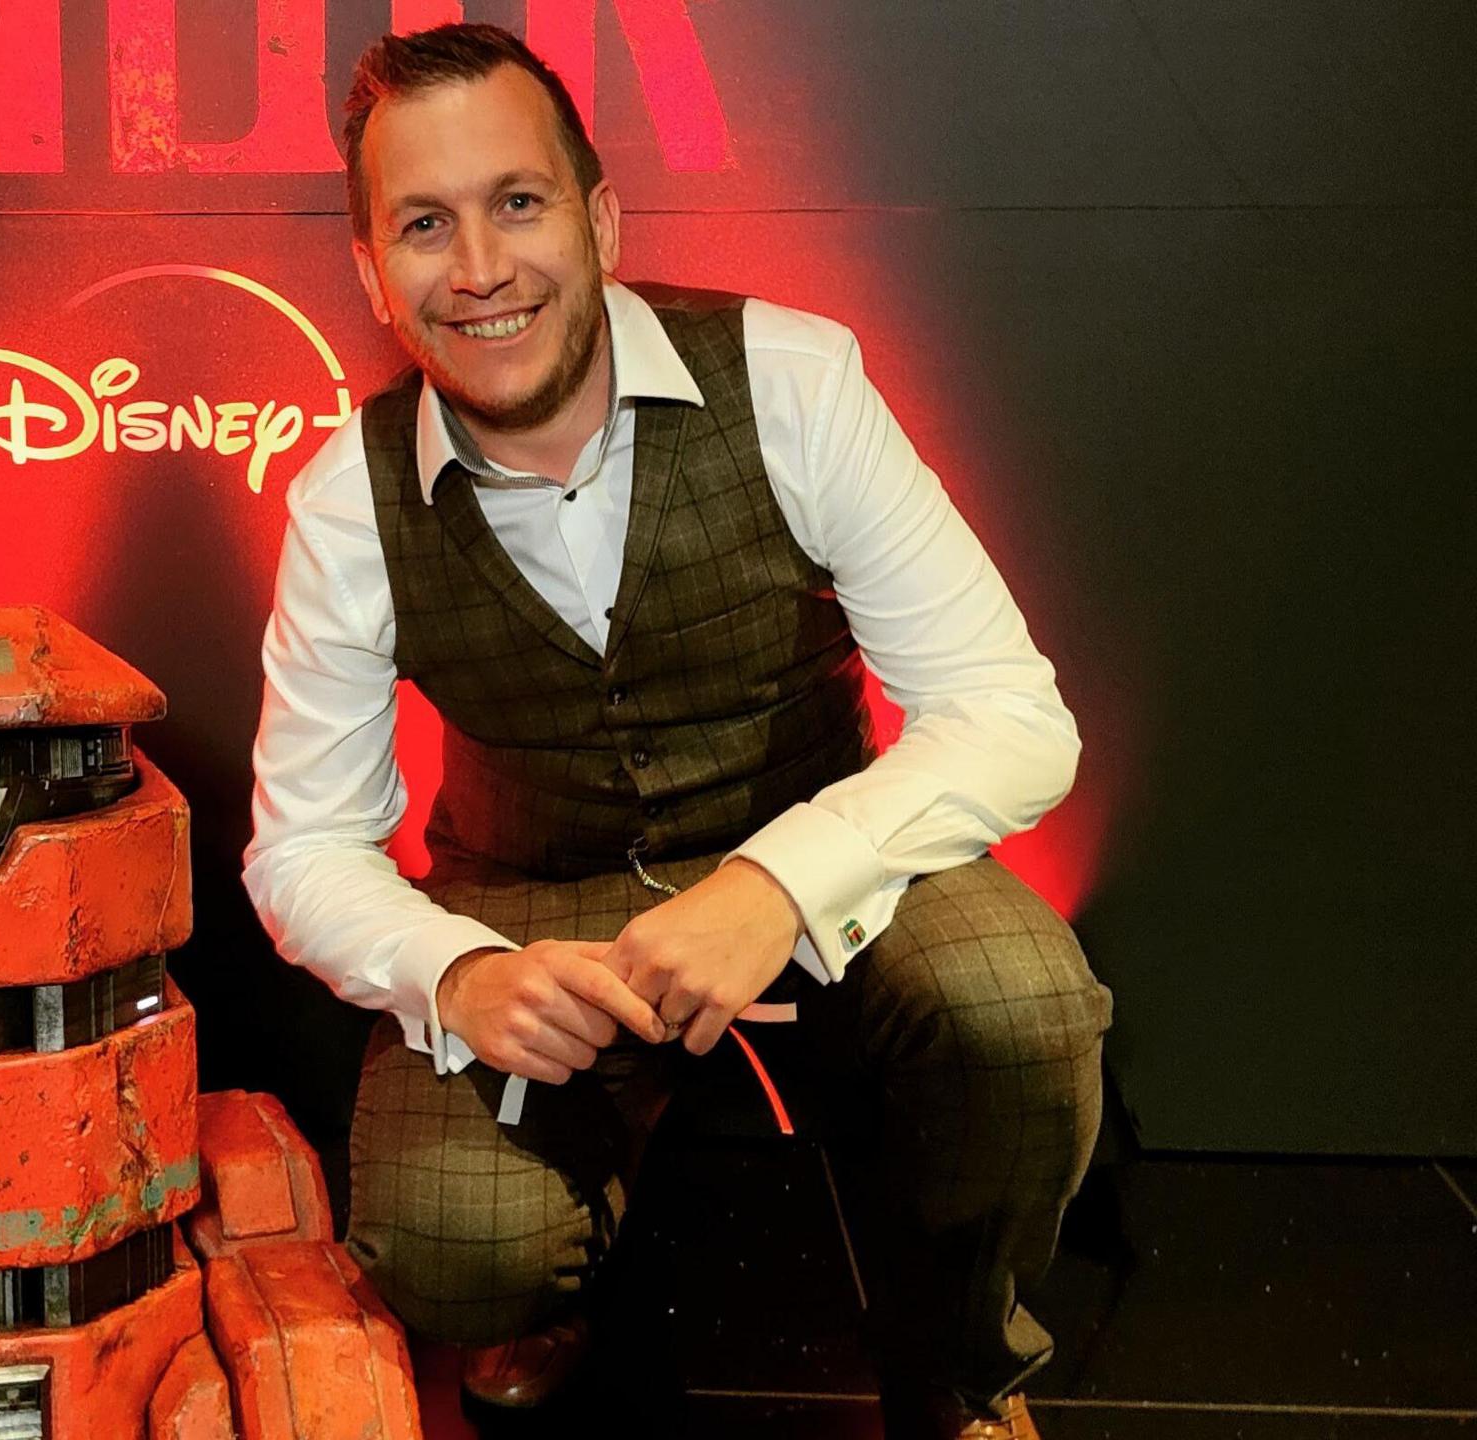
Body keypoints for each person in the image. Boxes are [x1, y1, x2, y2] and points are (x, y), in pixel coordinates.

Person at [241, 22, 1114, 1439]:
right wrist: (455, 972)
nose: (477, 269)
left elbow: (1011, 715)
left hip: (818, 846)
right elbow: (304, 850)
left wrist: (779, 883)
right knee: (450, 1251)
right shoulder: (348, 495)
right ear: (369, 269)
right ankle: (551, 1288)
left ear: (599, 216)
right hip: (530, 898)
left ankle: (957, 1364)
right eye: (423, 224)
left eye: (518, 203)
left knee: (1024, 1007)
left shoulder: (793, 377)